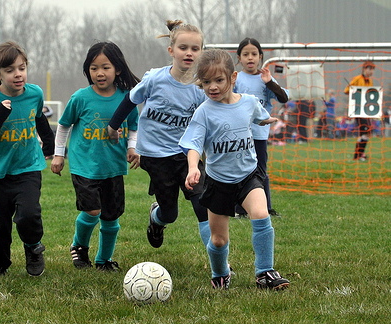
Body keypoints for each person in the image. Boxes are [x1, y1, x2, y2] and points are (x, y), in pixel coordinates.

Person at [179, 48, 290, 290]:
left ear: (233, 78)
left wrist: (267, 120)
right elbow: (193, 145)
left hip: (249, 176)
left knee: (261, 214)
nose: (213, 87)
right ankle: (220, 272)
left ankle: (265, 272)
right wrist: (192, 168)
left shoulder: (248, 103)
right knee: (218, 241)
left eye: (219, 80)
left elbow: (258, 115)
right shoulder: (204, 112)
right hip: (218, 183)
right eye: (206, 82)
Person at [107, 20, 210, 249]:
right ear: (171, 50)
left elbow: (208, 121)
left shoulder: (201, 88)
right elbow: (130, 100)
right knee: (170, 213)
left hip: (186, 154)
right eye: (183, 48)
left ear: (202, 52)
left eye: (195, 48)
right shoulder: (155, 79)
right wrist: (113, 126)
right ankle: (156, 218)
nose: (189, 53)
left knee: (203, 204)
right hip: (155, 157)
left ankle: (220, 267)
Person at [51, 41, 140, 271]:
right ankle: (79, 246)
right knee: (92, 211)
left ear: (117, 69)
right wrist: (59, 155)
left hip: (113, 167)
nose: (99, 73)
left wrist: (132, 148)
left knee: (111, 218)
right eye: (93, 68)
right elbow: (63, 126)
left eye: (105, 67)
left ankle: (104, 260)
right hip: (84, 166)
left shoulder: (126, 99)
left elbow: (133, 127)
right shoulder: (80, 98)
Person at [0, 41, 55, 277]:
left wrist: (50, 146)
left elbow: (39, 119)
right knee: (0, 228)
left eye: (22, 68)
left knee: (29, 214)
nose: (18, 74)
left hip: (28, 167)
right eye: (10, 71)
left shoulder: (35, 93)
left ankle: (33, 248)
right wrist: (0, 113)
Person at [233, 38, 288, 219]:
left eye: (254, 54)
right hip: (238, 135)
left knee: (260, 171)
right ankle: (239, 209)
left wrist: (269, 82)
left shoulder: (266, 79)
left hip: (259, 135)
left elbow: (283, 98)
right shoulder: (236, 78)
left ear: (260, 57)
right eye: (246, 54)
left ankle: (266, 208)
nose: (250, 58)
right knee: (238, 170)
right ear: (239, 58)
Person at [344, 61, 375, 161]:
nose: (371, 71)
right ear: (364, 69)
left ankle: (359, 154)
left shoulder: (370, 81)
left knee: (365, 132)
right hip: (358, 109)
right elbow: (346, 90)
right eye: (370, 69)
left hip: (365, 110)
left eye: (373, 69)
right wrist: (353, 90)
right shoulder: (357, 79)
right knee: (366, 131)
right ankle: (358, 155)